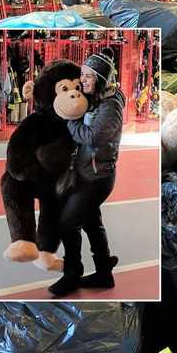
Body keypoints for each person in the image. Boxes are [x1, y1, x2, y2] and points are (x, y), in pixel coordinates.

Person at [48, 47, 124, 296]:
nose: (83, 80)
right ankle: (104, 273)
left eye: (89, 76)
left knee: (68, 224)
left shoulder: (110, 107)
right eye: (83, 74)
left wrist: (70, 119)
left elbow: (93, 138)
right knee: (91, 223)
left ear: (101, 79)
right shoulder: (95, 99)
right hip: (86, 173)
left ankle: (72, 275)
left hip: (97, 177)